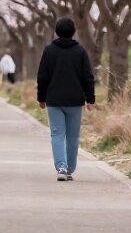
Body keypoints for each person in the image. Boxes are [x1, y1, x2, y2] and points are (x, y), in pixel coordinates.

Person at [36, 16, 95, 181]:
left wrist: (41, 97)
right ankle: (69, 169)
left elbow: (42, 77)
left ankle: (61, 167)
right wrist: (90, 99)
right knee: (73, 136)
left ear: (56, 32)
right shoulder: (80, 51)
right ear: (73, 32)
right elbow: (88, 77)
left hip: (54, 99)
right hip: (75, 101)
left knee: (57, 134)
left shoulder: (49, 51)